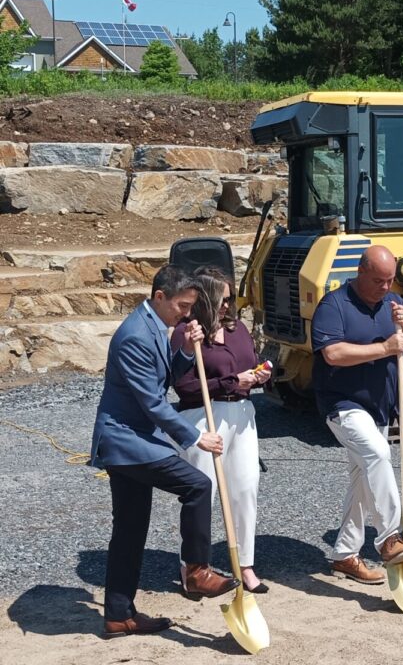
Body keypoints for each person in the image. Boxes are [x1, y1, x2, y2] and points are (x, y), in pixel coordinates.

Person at [91, 264, 239, 639]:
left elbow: (168, 377)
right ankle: (197, 570)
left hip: (133, 439)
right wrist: (194, 438)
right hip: (127, 440)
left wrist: (187, 350)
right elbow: (152, 404)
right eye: (182, 306)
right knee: (197, 486)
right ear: (160, 297)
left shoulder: (157, 327)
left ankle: (119, 615)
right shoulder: (135, 336)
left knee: (129, 530)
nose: (187, 313)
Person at [311, 244, 403, 584]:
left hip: (381, 406)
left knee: (364, 477)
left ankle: (345, 553)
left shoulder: (396, 303)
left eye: (390, 280)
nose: (385, 286)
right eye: (378, 280)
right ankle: (390, 538)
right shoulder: (334, 305)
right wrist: (386, 347)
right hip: (342, 404)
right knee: (377, 455)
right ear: (360, 272)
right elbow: (333, 353)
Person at [171, 266, 272, 595]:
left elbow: (249, 361)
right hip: (203, 416)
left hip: (241, 414)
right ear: (206, 299)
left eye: (232, 299)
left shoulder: (238, 328)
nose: (230, 306)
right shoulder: (187, 332)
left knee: (246, 487)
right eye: (224, 299)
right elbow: (183, 385)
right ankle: (193, 567)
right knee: (203, 491)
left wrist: (256, 375)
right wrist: (230, 380)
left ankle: (244, 564)